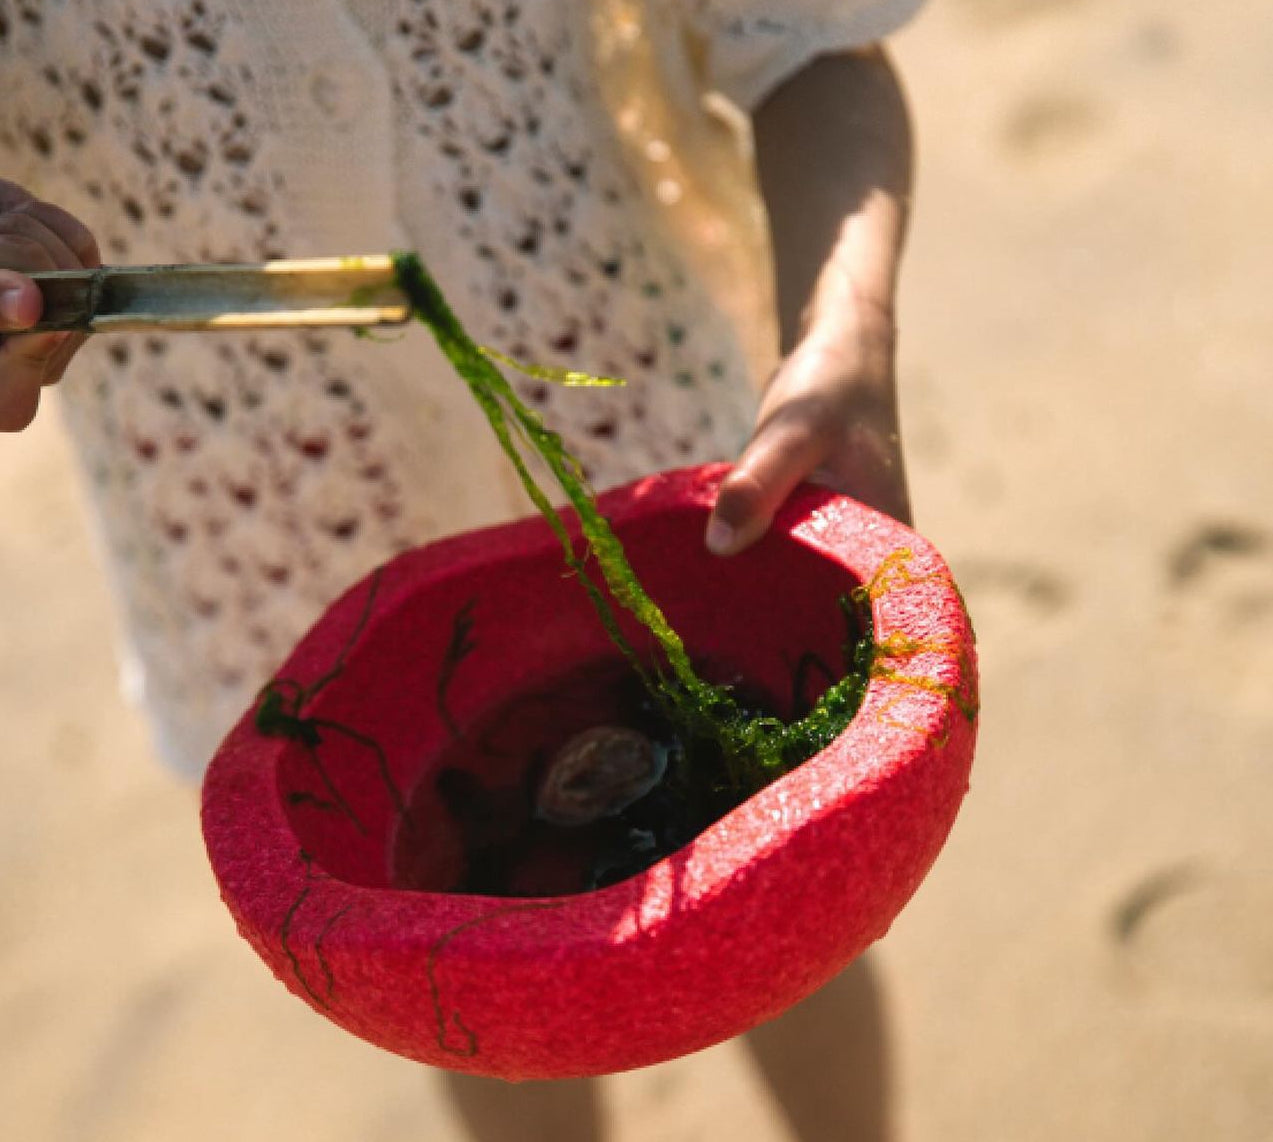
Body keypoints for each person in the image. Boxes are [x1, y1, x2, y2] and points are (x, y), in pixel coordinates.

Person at [1, 2, 921, 1137]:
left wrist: (846, 336)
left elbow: (809, 42)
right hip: (290, 540)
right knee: (470, 971)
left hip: (658, 475)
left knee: (786, 908)